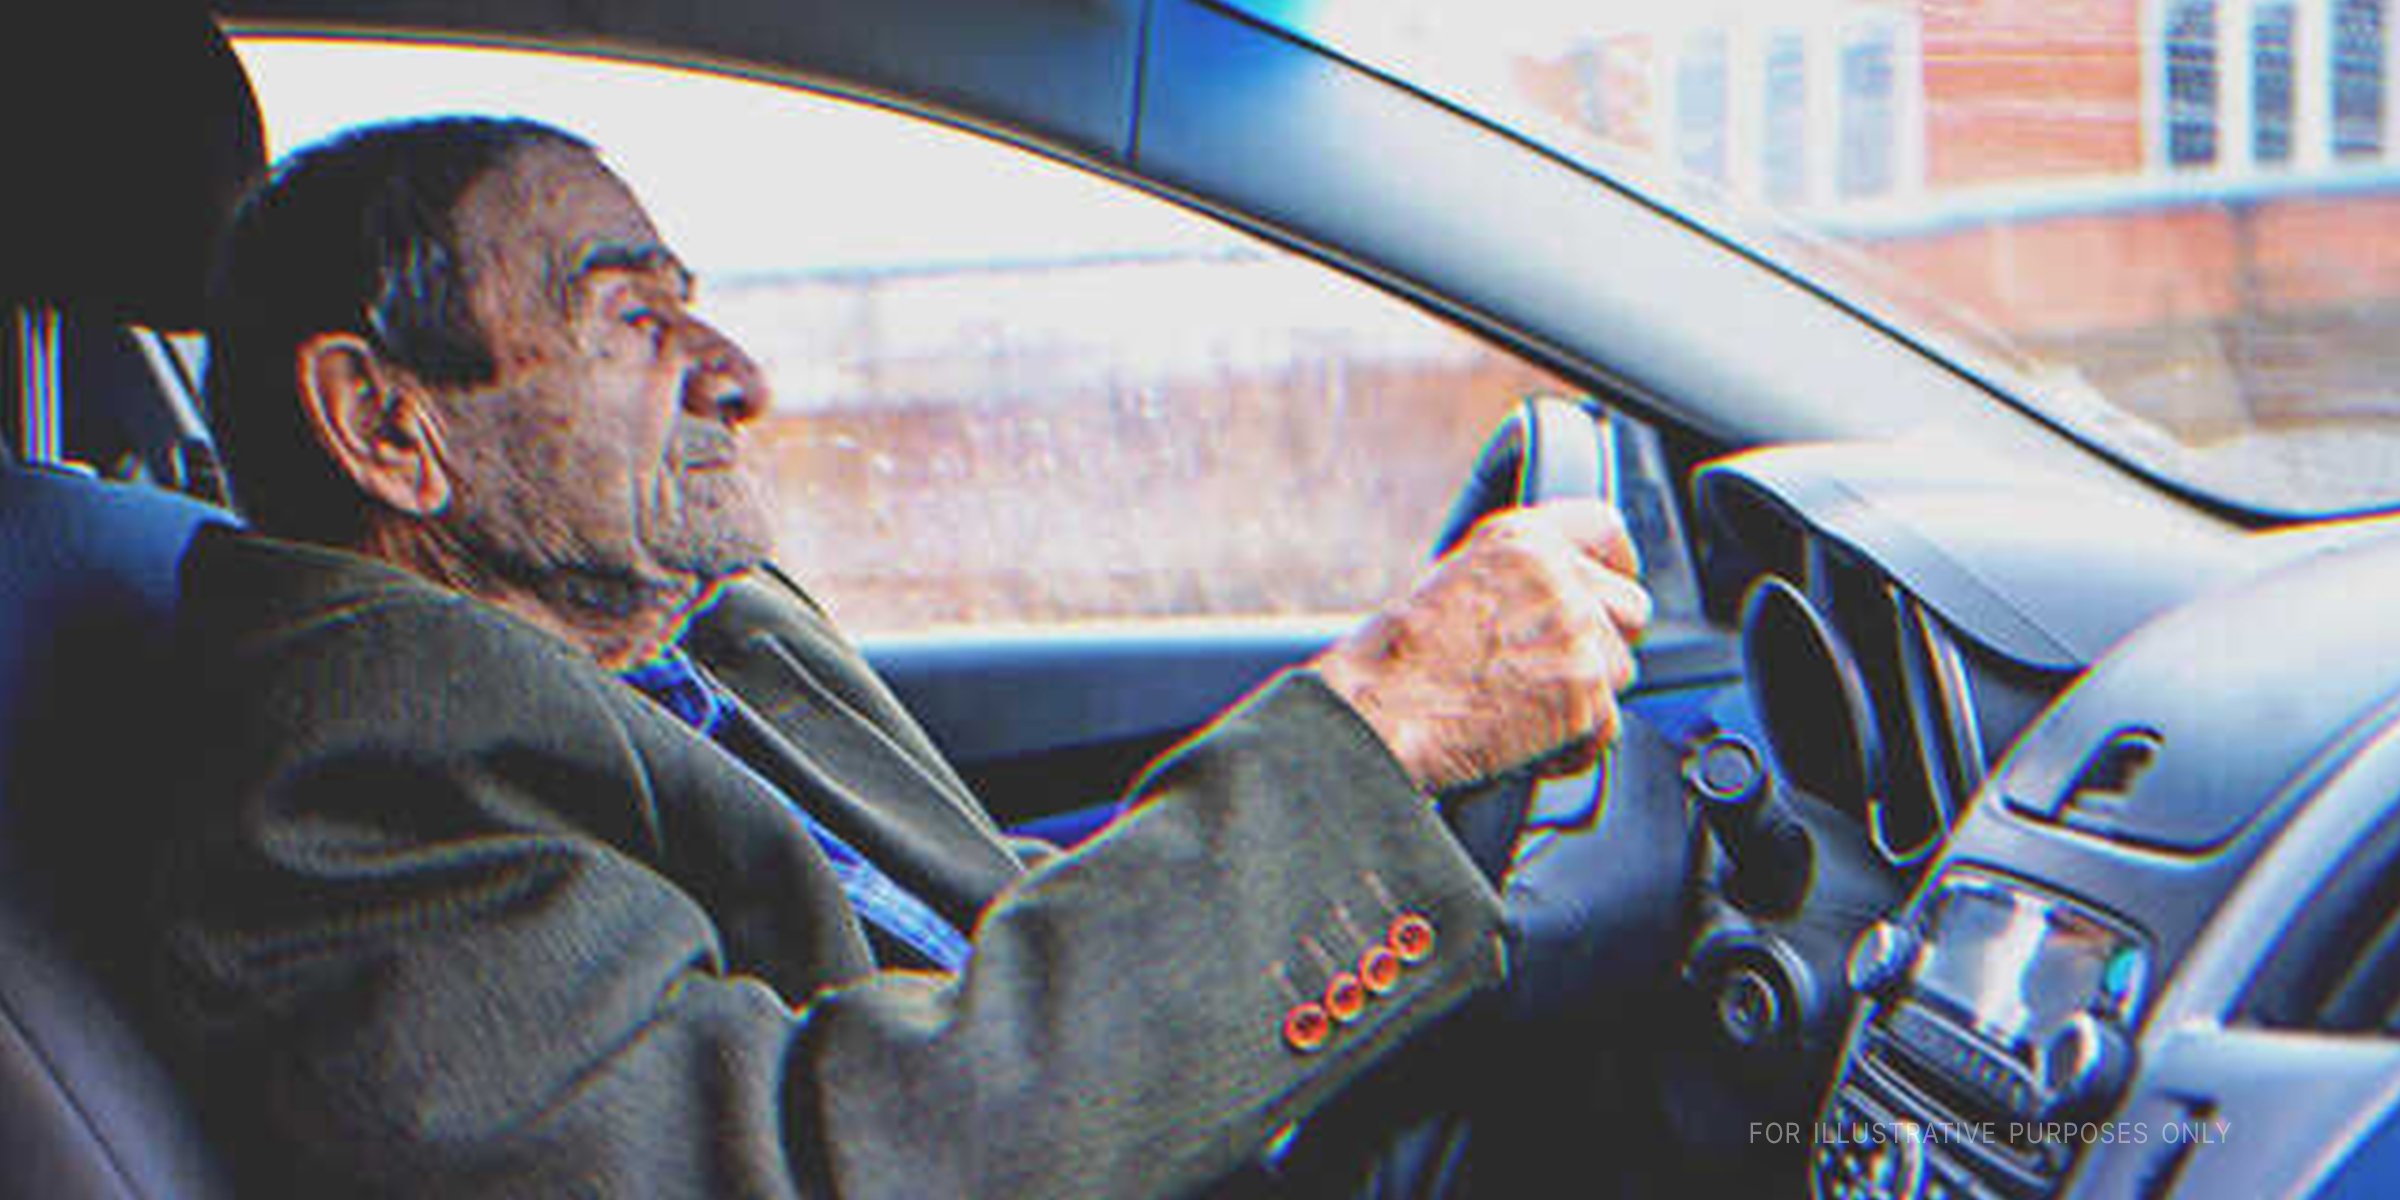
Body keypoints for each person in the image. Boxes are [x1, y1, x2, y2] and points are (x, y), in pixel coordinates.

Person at [139, 115, 1659, 1198]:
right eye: (632, 317)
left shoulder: (681, 636)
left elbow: (955, 919)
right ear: (389, 424)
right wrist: (1377, 731)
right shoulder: (345, 800)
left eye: (695, 306)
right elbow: (818, 1167)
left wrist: (1340, 798)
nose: (736, 375)